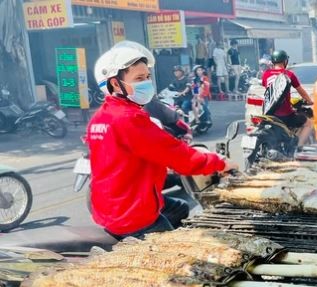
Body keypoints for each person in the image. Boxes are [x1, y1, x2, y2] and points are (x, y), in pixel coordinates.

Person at [87, 47, 237, 239]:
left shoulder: (100, 117)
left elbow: (127, 157)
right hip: (130, 215)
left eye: (148, 77)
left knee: (180, 208)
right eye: (139, 78)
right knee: (180, 261)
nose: (147, 83)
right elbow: (179, 156)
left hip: (112, 205)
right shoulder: (128, 118)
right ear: (115, 84)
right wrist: (220, 163)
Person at [261, 50, 314, 146]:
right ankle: (298, 147)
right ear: (285, 61)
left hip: (269, 114)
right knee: (308, 123)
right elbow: (300, 90)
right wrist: (309, 101)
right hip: (285, 115)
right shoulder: (289, 74)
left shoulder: (266, 74)